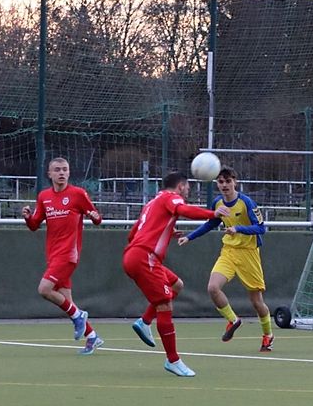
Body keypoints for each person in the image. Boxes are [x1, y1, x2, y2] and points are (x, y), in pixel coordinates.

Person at [123, 171, 230, 377]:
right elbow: (184, 209)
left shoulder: (152, 203)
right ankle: (173, 360)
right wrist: (213, 214)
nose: (188, 191)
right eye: (187, 187)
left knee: (176, 285)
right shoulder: (171, 197)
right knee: (164, 305)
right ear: (180, 186)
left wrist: (165, 232)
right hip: (145, 258)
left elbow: (132, 234)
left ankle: (145, 322)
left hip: (136, 256)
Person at [178, 166, 274, 352]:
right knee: (213, 288)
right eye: (221, 182)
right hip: (229, 251)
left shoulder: (246, 202)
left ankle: (268, 334)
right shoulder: (218, 203)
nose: (224, 185)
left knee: (256, 302)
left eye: (228, 181)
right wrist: (189, 237)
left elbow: (261, 228)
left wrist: (238, 229)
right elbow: (210, 224)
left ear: (235, 182)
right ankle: (233, 320)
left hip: (248, 253)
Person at [22, 157, 104, 355]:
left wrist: (95, 217)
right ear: (49, 174)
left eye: (65, 169)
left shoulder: (78, 194)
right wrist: (28, 218)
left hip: (68, 254)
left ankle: (79, 317)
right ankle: (92, 336)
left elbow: (97, 218)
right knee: (67, 300)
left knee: (44, 289)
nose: (61, 173)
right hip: (52, 253)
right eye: (57, 170)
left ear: (68, 173)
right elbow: (34, 225)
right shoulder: (44, 196)